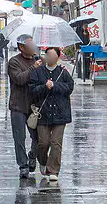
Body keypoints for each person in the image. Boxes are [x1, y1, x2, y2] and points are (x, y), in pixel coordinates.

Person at [28, 46, 74, 182]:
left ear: (58, 57)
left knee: (56, 142)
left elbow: (69, 87)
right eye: (48, 55)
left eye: (53, 56)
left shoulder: (63, 72)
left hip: (61, 113)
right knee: (43, 142)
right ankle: (43, 161)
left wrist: (55, 85)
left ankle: (53, 170)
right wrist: (44, 87)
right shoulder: (38, 72)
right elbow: (32, 89)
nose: (50, 58)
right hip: (43, 113)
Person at [7, 34, 43, 178]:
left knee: (38, 136)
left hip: (33, 106)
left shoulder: (38, 60)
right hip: (18, 105)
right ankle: (23, 165)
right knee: (19, 137)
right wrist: (33, 68)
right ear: (22, 47)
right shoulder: (14, 62)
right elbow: (19, 79)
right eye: (30, 44)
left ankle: (32, 156)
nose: (33, 47)